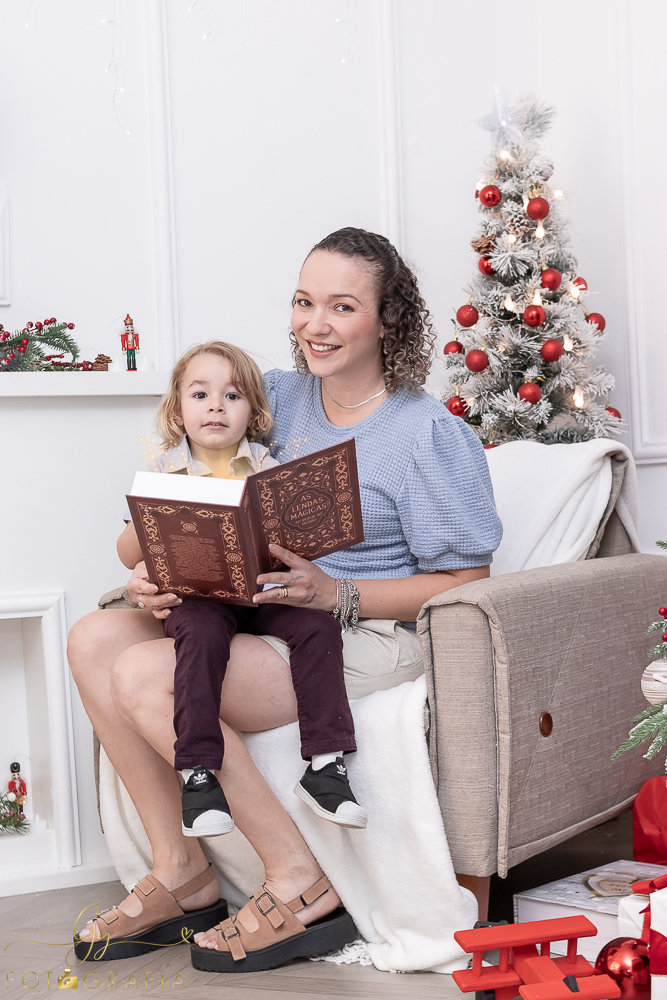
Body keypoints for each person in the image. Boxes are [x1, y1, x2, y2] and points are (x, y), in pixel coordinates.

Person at [68, 227, 502, 973]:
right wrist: (152, 566)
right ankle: (182, 872)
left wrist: (337, 591)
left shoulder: (428, 434)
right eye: (304, 303)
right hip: (252, 606)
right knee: (92, 638)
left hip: (359, 628)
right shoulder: (275, 394)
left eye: (341, 307)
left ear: (388, 321)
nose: (314, 326)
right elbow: (188, 493)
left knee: (144, 674)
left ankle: (301, 880)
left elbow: (468, 587)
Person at [117, 340, 366, 838]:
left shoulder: (266, 466)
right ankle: (199, 774)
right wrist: (153, 516)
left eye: (232, 396)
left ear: (252, 412)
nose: (216, 406)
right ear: (177, 410)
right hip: (201, 597)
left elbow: (292, 539)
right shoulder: (164, 470)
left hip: (260, 591)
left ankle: (326, 765)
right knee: (200, 635)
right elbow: (128, 552)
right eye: (200, 395)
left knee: (318, 626)